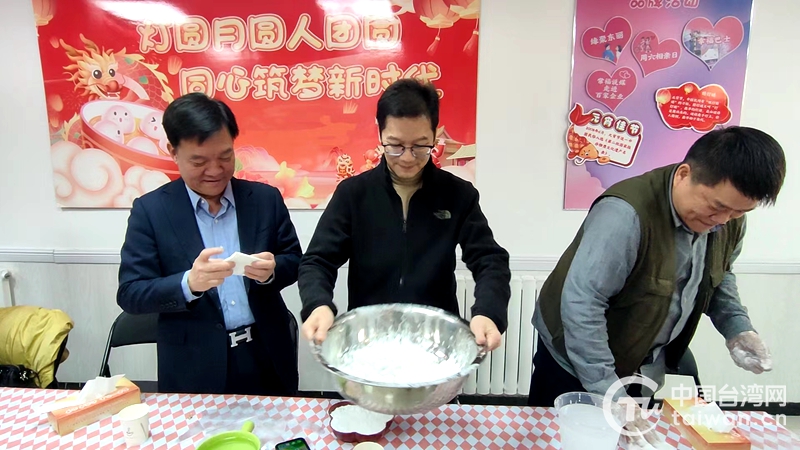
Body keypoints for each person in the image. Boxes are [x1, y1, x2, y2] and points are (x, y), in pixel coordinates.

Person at [529, 126, 785, 445]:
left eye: (739, 212)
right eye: (717, 207)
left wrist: (738, 328)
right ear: (684, 175)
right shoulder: (625, 215)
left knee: (632, 439)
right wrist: (609, 392)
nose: (723, 220)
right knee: (565, 441)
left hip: (642, 362)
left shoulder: (728, 218)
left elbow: (718, 275)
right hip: (575, 361)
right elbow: (583, 304)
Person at [299, 79, 511, 350]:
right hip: (369, 340)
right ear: (380, 134)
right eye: (395, 145)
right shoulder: (353, 194)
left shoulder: (458, 194)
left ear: (434, 135)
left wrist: (488, 312)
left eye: (420, 146)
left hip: (436, 341)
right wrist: (318, 304)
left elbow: (490, 260)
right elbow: (318, 261)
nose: (408, 158)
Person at [117, 93, 303, 396]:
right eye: (199, 161)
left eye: (225, 156)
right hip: (194, 365)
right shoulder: (151, 212)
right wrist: (188, 284)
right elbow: (131, 293)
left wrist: (271, 271)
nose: (215, 170)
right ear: (173, 152)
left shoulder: (264, 200)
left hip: (266, 354)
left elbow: (294, 260)